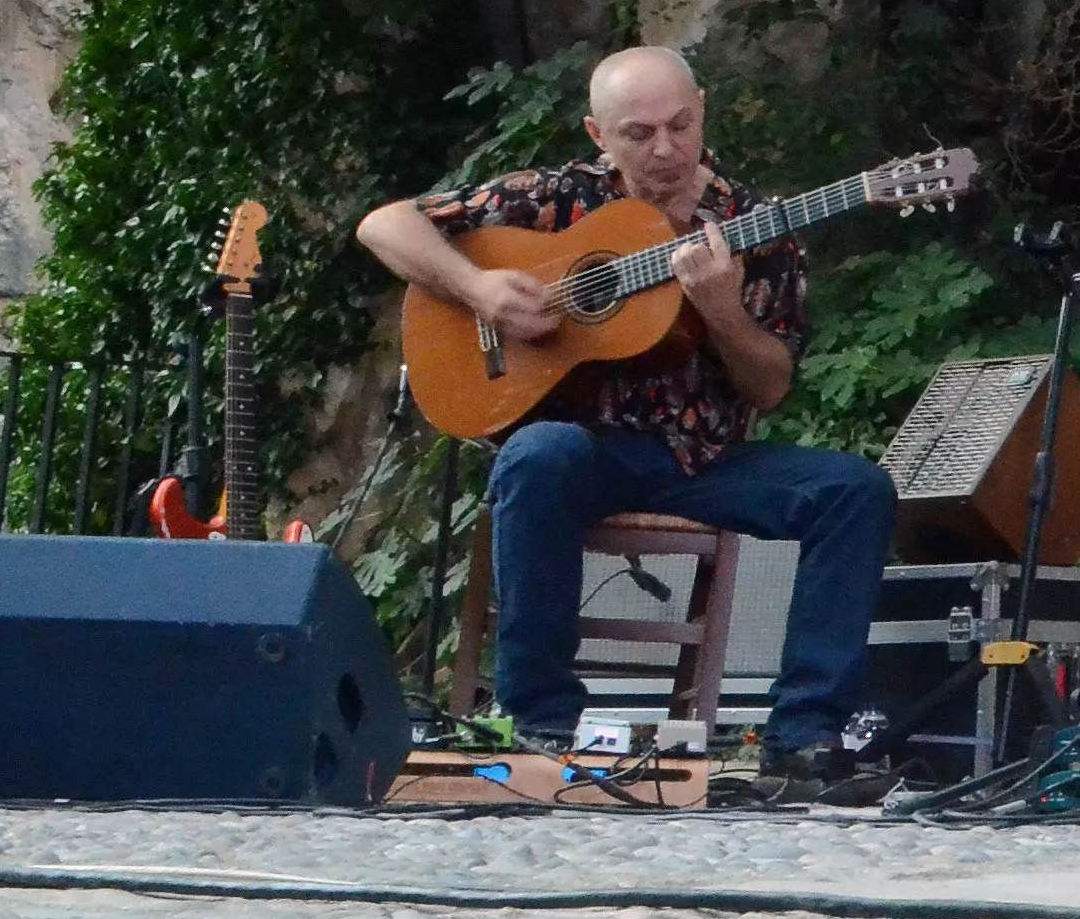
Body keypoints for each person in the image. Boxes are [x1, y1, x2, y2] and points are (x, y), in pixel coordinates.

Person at [356, 45, 900, 790]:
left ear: (703, 109)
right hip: (581, 451)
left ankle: (806, 734)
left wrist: (722, 311)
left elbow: (769, 387)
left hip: (698, 461)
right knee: (538, 453)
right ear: (597, 133)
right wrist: (477, 286)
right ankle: (541, 722)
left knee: (854, 489)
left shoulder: (755, 223)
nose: (667, 147)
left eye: (680, 124)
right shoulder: (555, 199)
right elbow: (383, 225)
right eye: (639, 133)